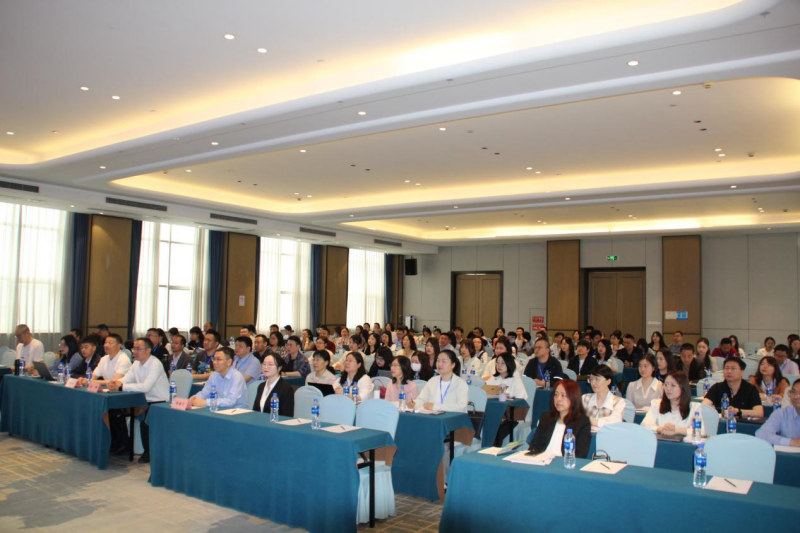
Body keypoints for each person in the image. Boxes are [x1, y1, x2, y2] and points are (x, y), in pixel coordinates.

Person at [106, 337, 169, 463]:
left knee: (145, 417)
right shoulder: (136, 363)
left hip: (160, 401)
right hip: (144, 400)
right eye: (133, 348)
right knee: (115, 410)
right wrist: (116, 383)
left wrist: (122, 386)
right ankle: (120, 444)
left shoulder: (155, 364)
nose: (134, 351)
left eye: (138, 349)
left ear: (148, 350)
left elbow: (145, 387)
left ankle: (149, 452)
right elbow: (127, 379)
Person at [528, 380, 592, 458]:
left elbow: (580, 455)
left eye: (563, 395)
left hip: (564, 462)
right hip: (541, 461)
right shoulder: (546, 417)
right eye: (556, 394)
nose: (558, 399)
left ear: (573, 397)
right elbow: (534, 447)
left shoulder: (582, 422)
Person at [641, 371, 705, 436]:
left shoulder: (694, 408)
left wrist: (677, 430)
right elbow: (644, 425)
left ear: (683, 387)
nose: (668, 389)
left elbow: (701, 431)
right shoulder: (656, 404)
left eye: (673, 385)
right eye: (666, 385)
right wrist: (661, 429)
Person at [755, 379, 800, 447]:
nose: (796, 396)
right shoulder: (782, 414)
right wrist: (792, 442)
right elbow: (760, 434)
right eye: (794, 392)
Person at [582, 365, 625, 430]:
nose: (593, 383)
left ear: (608, 381)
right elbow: (576, 419)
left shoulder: (618, 402)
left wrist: (591, 421)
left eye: (597, 379)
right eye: (591, 379)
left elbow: (615, 422)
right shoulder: (585, 398)